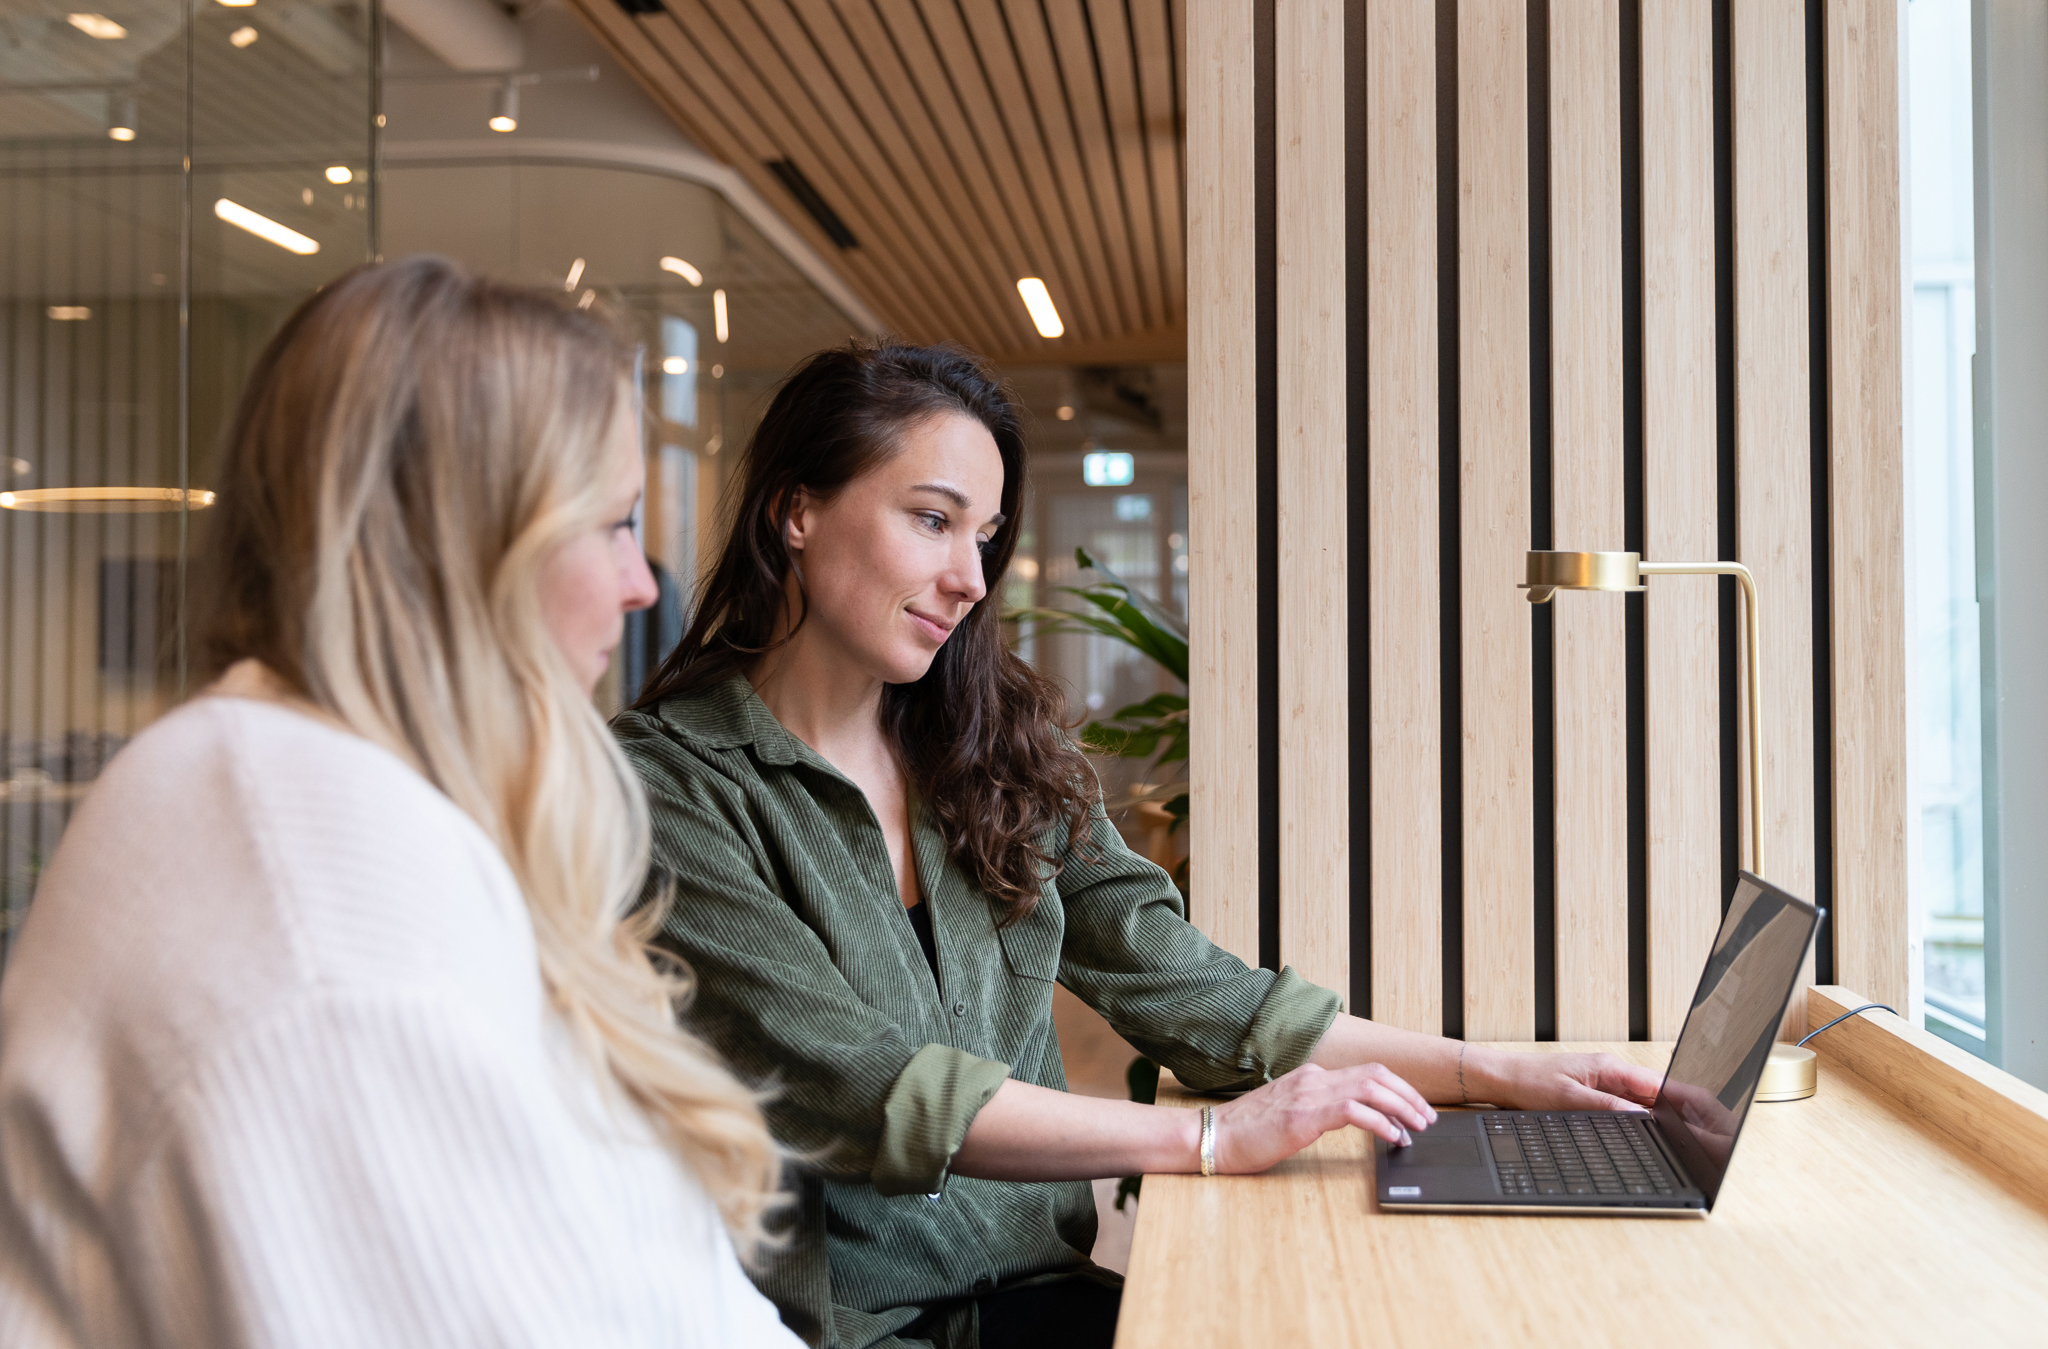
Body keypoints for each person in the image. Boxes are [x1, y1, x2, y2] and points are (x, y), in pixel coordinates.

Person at [614, 341, 1665, 1349]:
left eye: (982, 536)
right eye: (931, 521)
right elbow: (876, 1090)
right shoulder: (671, 787)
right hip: (853, 1333)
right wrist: (1209, 1140)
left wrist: (1487, 1074)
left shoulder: (988, 752)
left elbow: (1196, 994)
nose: (971, 578)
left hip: (1040, 1298)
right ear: (795, 510)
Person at [0, 257, 804, 1349]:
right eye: (614, 522)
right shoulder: (312, 902)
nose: (644, 584)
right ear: (464, 546)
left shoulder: (349, 801)